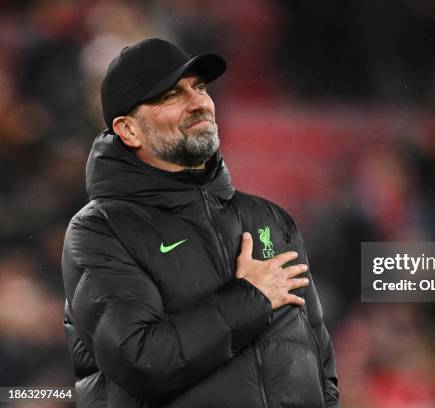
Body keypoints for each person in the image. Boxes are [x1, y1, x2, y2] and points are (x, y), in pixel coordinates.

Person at [61, 38, 340, 407]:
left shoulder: (268, 218)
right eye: (171, 95)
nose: (199, 103)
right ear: (129, 130)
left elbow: (321, 367)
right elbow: (140, 359)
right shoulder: (101, 230)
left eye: (200, 87)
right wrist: (250, 299)